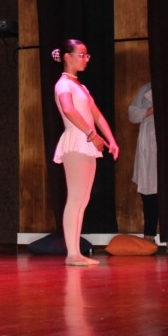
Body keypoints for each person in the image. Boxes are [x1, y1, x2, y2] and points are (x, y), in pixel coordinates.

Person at [52, 39, 119, 266]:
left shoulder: (81, 86)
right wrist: (93, 135)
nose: (85, 59)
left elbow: (97, 115)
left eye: (87, 55)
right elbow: (69, 110)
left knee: (82, 199)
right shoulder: (63, 84)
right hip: (77, 140)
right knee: (76, 198)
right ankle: (72, 253)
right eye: (81, 54)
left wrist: (111, 140)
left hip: (86, 141)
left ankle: (76, 252)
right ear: (67, 56)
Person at [128, 81, 168, 254]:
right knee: (149, 194)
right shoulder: (146, 88)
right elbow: (133, 115)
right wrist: (154, 109)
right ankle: (149, 236)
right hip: (149, 146)